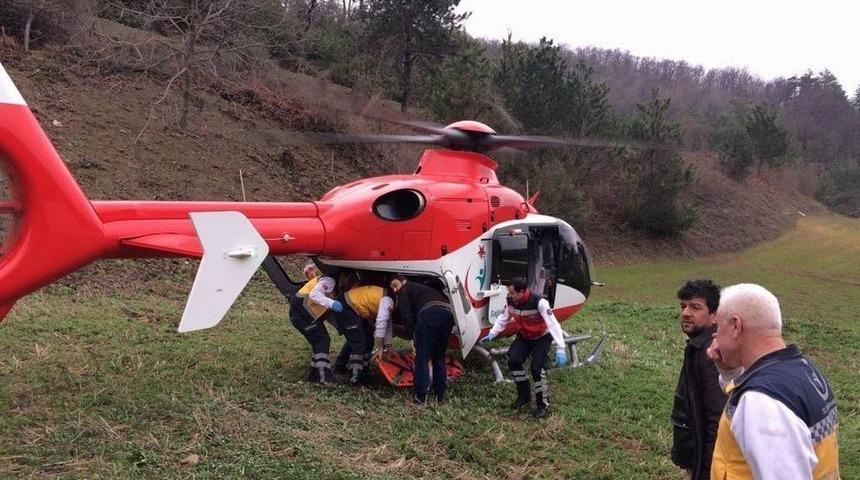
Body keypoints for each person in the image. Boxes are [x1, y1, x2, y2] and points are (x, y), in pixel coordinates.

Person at [707, 283, 839, 480]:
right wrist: (728, 372)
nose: (715, 336)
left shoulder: (762, 401)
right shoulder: (800, 369)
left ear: (735, 326)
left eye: (717, 326)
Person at [479, 277, 569, 418]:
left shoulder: (540, 302)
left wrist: (561, 348)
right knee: (513, 361)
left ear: (522, 292)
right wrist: (493, 333)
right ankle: (524, 396)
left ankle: (542, 405)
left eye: (512, 292)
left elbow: (553, 324)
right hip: (524, 336)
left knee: (537, 370)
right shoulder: (511, 301)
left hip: (541, 338)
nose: (509, 295)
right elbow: (504, 317)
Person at [670, 280, 727, 480]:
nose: (686, 312)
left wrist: (706, 471)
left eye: (695, 307)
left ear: (714, 316)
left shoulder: (712, 354)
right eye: (683, 306)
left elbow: (717, 419)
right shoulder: (697, 348)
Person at [388, 274, 455, 404]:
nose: (395, 289)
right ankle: (439, 395)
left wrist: (412, 337)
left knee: (421, 357)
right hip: (448, 313)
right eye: (392, 288)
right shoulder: (422, 289)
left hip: (429, 314)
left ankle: (420, 396)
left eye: (395, 285)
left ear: (403, 280)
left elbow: (407, 315)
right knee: (438, 356)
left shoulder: (405, 289)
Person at [289, 263, 337, 384]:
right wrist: (331, 303)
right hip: (301, 314)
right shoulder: (330, 281)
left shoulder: (328, 280)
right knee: (322, 340)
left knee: (319, 341)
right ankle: (324, 378)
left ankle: (314, 375)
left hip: (303, 313)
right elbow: (315, 295)